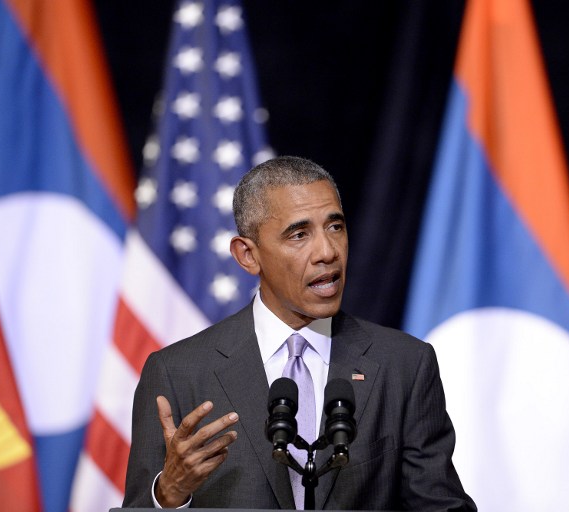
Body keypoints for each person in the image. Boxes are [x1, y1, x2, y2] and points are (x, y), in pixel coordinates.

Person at [122, 156, 476, 510]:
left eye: (335, 227)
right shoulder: (178, 373)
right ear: (247, 255)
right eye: (299, 234)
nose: (327, 252)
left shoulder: (404, 365)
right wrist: (169, 494)